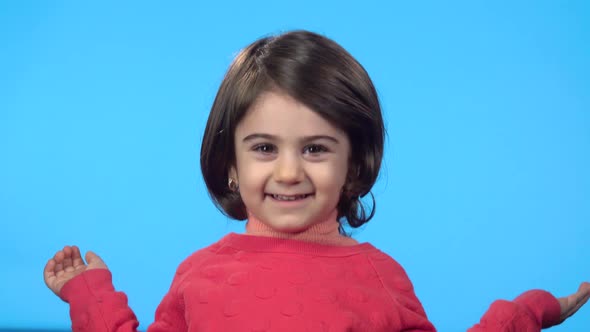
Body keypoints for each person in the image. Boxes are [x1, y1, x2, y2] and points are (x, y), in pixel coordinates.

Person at [44, 30, 589, 332]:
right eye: (263, 148)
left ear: (353, 164)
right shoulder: (198, 274)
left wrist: (525, 313)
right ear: (230, 163)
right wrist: (89, 295)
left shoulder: (379, 275)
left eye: (315, 149)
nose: (288, 171)